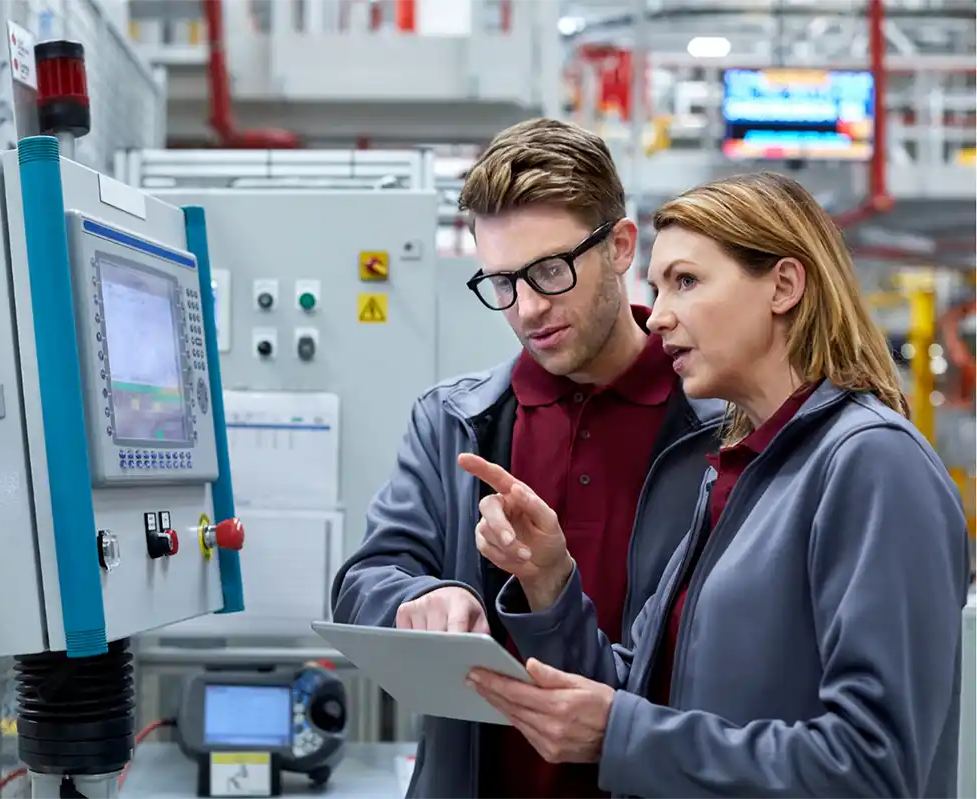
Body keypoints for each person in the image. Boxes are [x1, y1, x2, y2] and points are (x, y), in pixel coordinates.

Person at [461, 172, 972, 799]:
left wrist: (625, 736)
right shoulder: (735, 473)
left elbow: (874, 766)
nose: (658, 317)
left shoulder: (870, 465)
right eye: (656, 287)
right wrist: (549, 580)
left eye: (687, 281)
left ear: (784, 285)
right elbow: (642, 693)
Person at [330, 117, 725, 799]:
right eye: (503, 281)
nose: (530, 307)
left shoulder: (717, 428)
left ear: (621, 246)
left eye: (550, 269)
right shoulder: (455, 422)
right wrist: (425, 596)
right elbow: (364, 579)